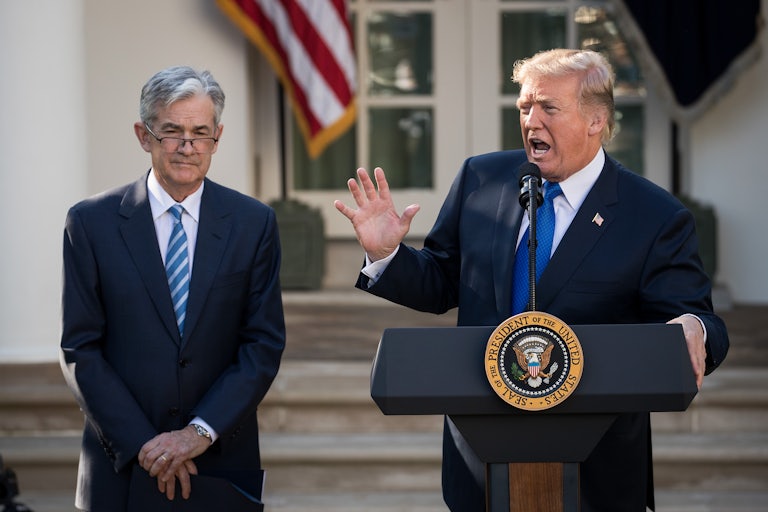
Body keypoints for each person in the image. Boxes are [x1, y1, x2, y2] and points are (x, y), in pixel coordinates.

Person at [335, 49, 729, 511]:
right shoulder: (482, 178)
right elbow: (443, 281)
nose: (531, 121)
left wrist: (693, 328)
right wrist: (387, 254)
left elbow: (702, 321)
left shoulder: (654, 216)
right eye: (525, 107)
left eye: (549, 108)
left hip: (595, 473)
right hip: (480, 461)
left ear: (595, 120)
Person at [60, 66, 285, 511]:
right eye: (171, 132)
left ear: (217, 137)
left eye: (201, 133)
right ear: (144, 135)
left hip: (219, 461)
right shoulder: (90, 223)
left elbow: (262, 345)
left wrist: (197, 433)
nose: (187, 146)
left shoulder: (254, 223)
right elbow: (80, 349)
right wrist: (149, 445)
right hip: (122, 464)